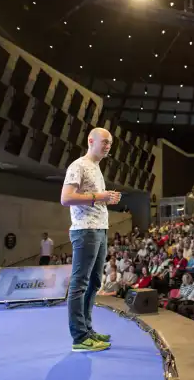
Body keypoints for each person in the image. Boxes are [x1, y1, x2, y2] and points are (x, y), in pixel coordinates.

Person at [61, 127, 122, 352]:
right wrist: (100, 196)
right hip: (85, 231)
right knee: (80, 285)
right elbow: (66, 198)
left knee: (95, 282)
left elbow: (92, 199)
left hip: (99, 229)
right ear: (91, 141)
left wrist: (106, 199)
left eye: (110, 144)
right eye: (104, 142)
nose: (108, 146)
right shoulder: (78, 165)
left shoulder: (96, 168)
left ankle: (87, 329)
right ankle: (79, 337)